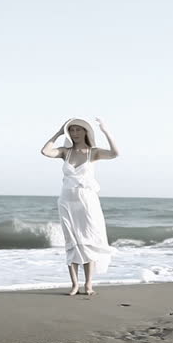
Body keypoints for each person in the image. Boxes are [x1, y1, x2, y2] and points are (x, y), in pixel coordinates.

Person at [41, 117, 119, 296]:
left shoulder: (94, 153)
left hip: (87, 202)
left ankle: (88, 284)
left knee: (88, 242)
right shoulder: (64, 152)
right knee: (72, 243)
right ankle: (75, 284)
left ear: (86, 131)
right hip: (67, 201)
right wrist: (59, 131)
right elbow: (45, 151)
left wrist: (105, 131)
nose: (75, 133)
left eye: (78, 129)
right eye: (72, 130)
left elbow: (115, 153)